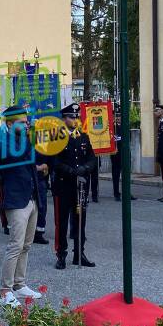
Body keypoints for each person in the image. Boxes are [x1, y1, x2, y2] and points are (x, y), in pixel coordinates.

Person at [0, 105, 45, 308]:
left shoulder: (22, 140)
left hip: (30, 197)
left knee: (26, 245)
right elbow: (15, 157)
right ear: (9, 123)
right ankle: (5, 290)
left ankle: (19, 284)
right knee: (15, 245)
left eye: (27, 122)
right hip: (16, 199)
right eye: (22, 122)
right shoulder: (3, 141)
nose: (27, 125)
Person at [51, 103, 97, 269]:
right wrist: (72, 171)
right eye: (71, 117)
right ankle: (61, 254)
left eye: (77, 116)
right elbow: (55, 162)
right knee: (62, 222)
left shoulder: (83, 136)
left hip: (80, 188)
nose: (75, 119)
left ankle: (79, 254)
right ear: (63, 119)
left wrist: (85, 168)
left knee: (80, 221)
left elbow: (92, 158)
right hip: (64, 186)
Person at [110, 108, 136, 201]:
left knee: (126, 174)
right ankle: (116, 193)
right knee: (116, 175)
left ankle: (127, 193)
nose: (118, 118)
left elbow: (128, 139)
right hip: (116, 154)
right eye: (117, 116)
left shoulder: (126, 126)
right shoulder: (112, 127)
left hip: (125, 153)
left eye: (120, 116)